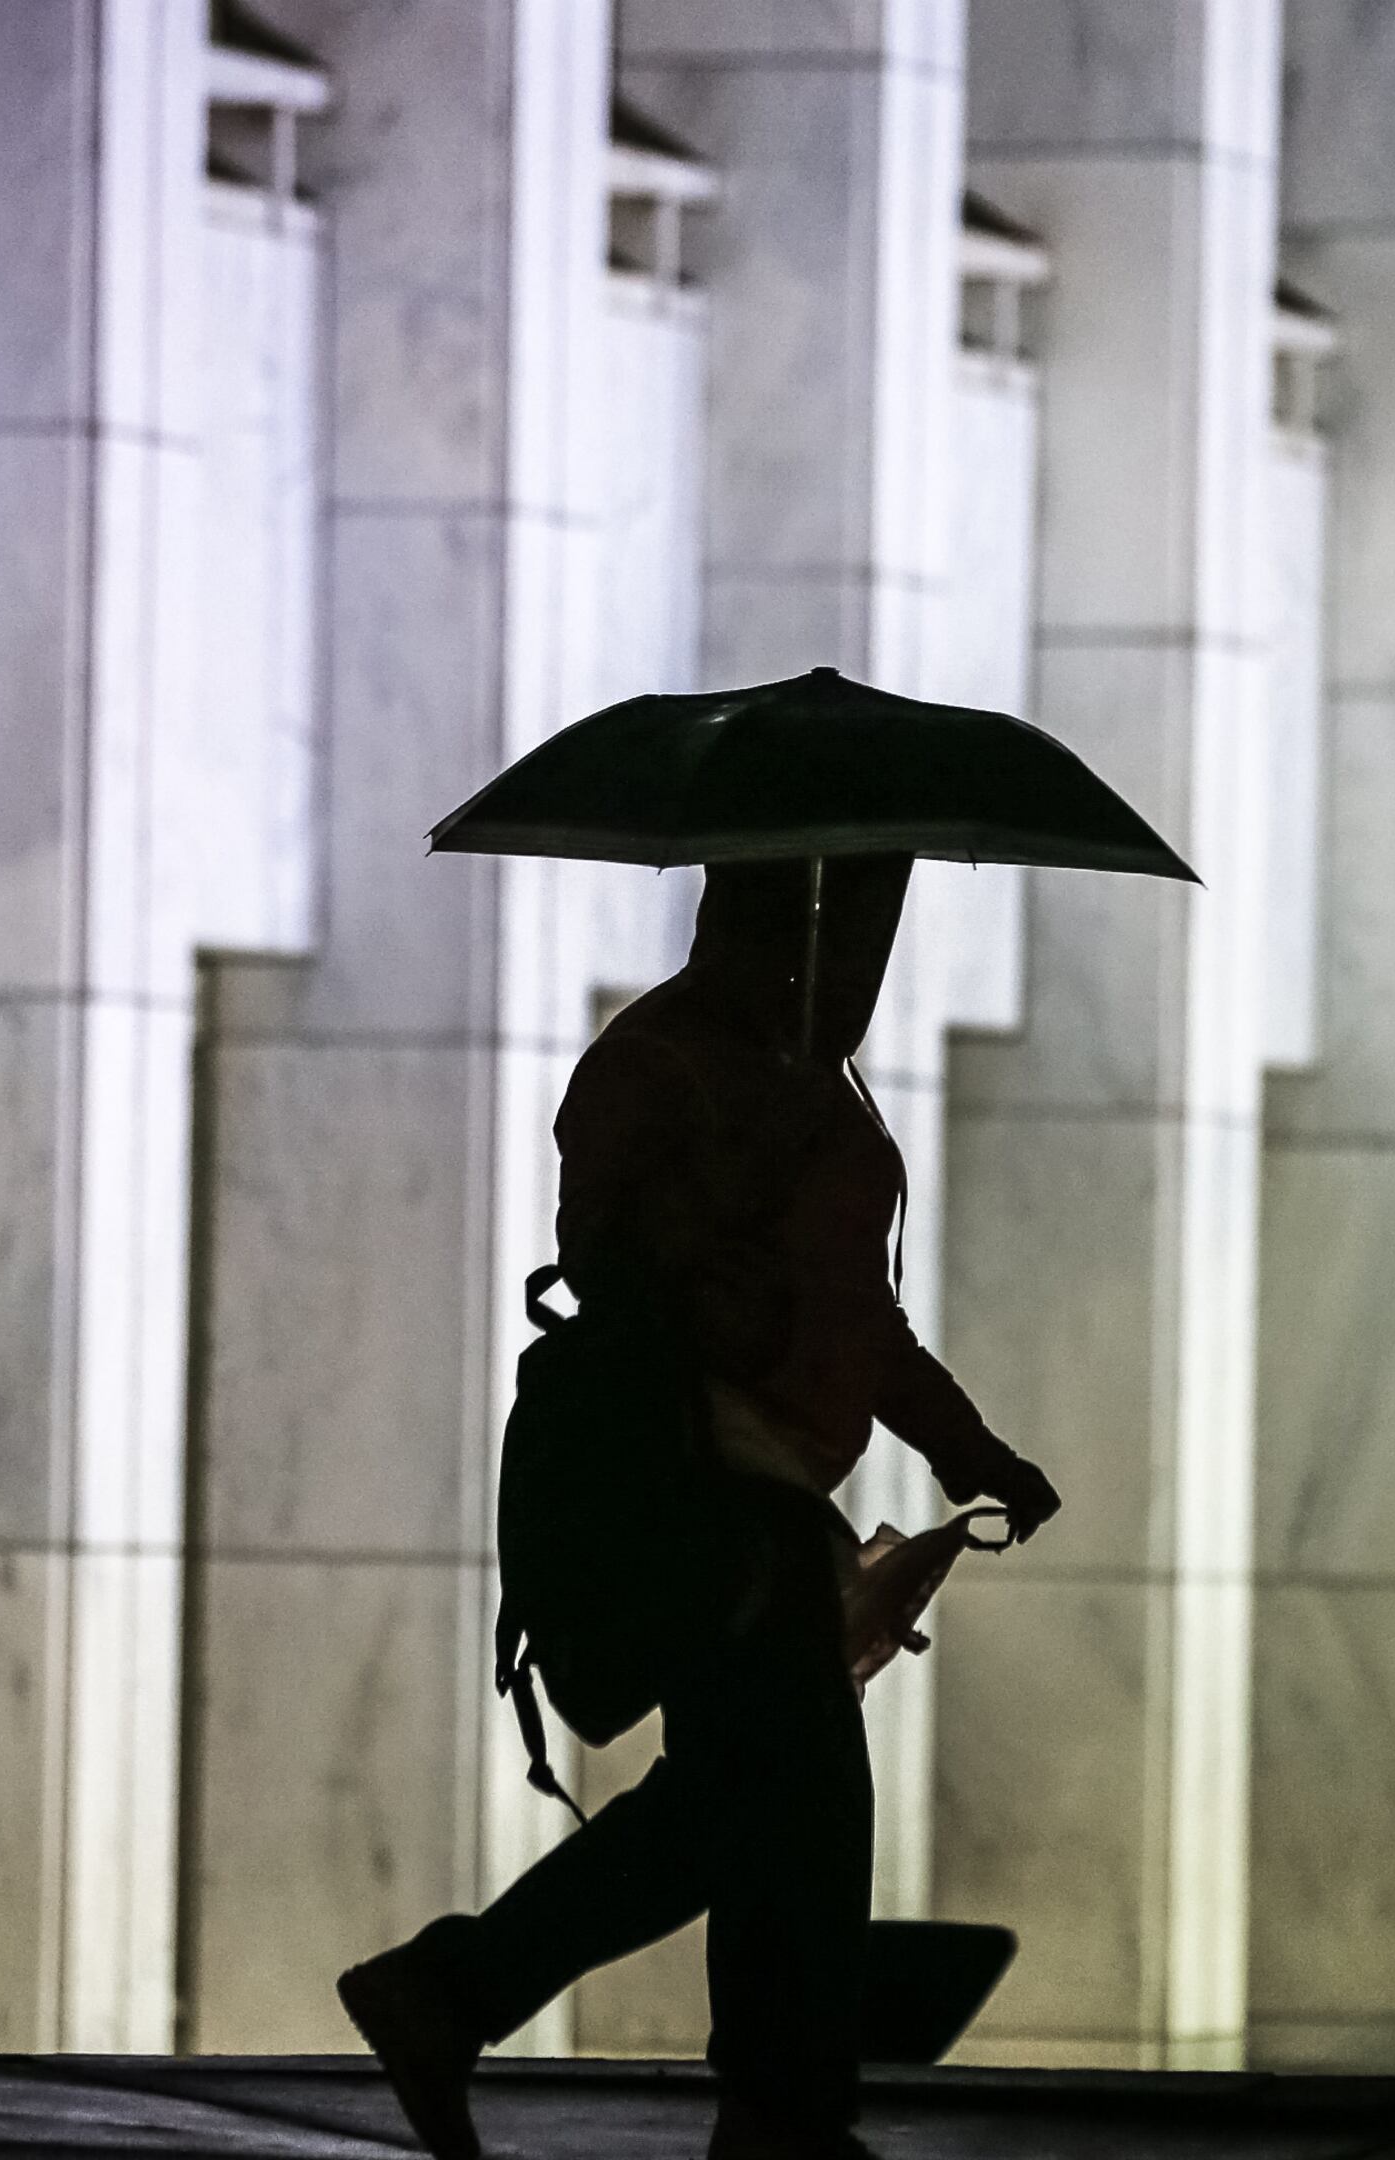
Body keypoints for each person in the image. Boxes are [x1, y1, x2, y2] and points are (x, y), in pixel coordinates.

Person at [337, 852, 1062, 2160]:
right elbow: (629, 1276)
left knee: (755, 1800)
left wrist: (971, 1451)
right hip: (704, 1490)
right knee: (789, 1800)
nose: (860, 965)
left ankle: (690, 2079)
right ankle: (734, 2096)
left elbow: (860, 1317)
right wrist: (721, 1235)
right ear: (782, 917)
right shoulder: (669, 1070)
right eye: (848, 925)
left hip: (766, 1493)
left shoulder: (796, 1073)